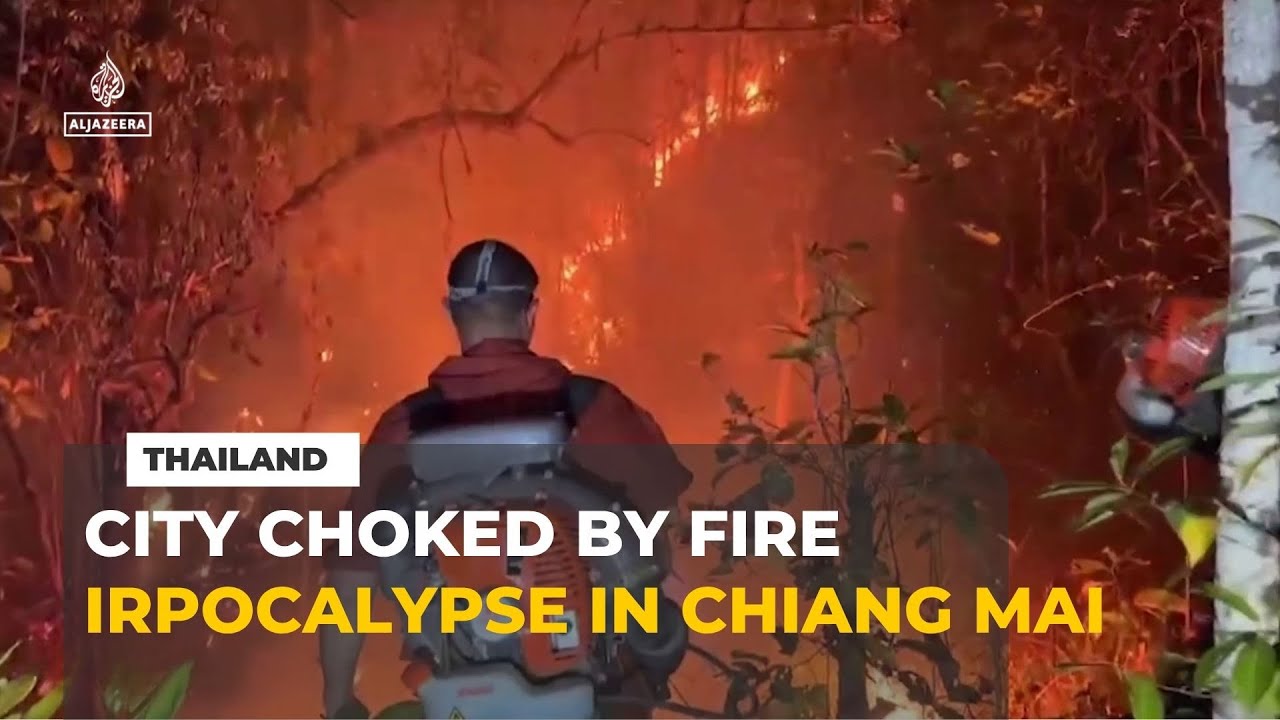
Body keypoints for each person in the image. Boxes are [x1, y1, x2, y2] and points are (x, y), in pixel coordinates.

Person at [320, 238, 693, 718]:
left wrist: (338, 702)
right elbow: (665, 542)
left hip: (454, 695)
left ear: (450, 312)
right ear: (531, 312)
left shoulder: (401, 429)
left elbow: (348, 584)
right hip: (602, 695)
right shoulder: (596, 408)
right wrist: (658, 657)